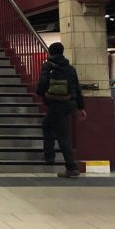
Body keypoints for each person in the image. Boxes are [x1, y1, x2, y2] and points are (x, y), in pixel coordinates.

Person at [36, 42, 87, 178]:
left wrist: (41, 93)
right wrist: (81, 107)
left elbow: (42, 84)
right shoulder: (70, 68)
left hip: (55, 104)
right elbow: (77, 88)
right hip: (69, 104)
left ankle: (69, 165)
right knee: (51, 126)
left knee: (60, 134)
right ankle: (51, 156)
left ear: (50, 53)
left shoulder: (48, 66)